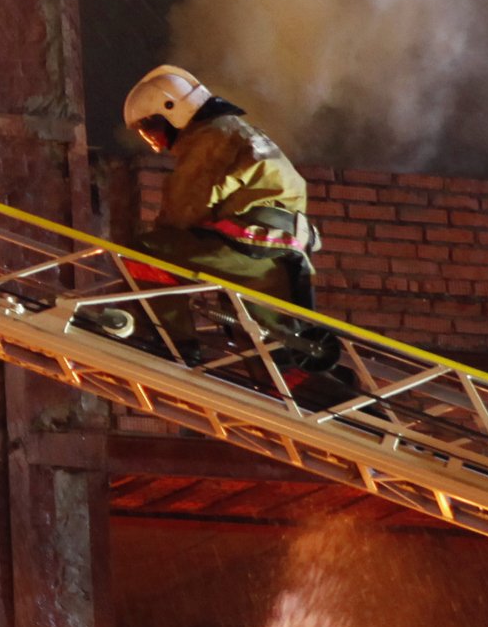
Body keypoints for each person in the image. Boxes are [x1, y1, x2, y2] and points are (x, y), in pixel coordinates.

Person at [80, 65, 344, 392]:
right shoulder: (236, 131)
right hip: (277, 254)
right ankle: (356, 410)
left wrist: (169, 255)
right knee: (274, 364)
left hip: (251, 242)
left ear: (172, 109)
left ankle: (173, 343)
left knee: (147, 252)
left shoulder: (209, 137)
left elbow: (185, 208)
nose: (155, 142)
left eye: (153, 129)